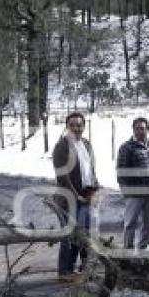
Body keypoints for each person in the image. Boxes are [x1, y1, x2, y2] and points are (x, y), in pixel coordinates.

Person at [52, 112, 99, 283]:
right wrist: (76, 196)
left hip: (86, 196)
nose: (76, 128)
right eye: (72, 125)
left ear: (83, 127)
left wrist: (96, 190)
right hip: (68, 198)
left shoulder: (86, 144)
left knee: (84, 234)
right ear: (67, 127)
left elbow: (91, 172)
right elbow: (62, 176)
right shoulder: (62, 146)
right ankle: (64, 271)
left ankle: (85, 269)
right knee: (69, 235)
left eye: (79, 125)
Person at [116, 117, 149, 250]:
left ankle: (141, 249)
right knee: (130, 224)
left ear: (148, 130)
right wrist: (126, 190)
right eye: (137, 128)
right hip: (134, 194)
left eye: (143, 128)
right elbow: (121, 171)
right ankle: (128, 251)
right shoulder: (126, 147)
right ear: (133, 130)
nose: (140, 131)